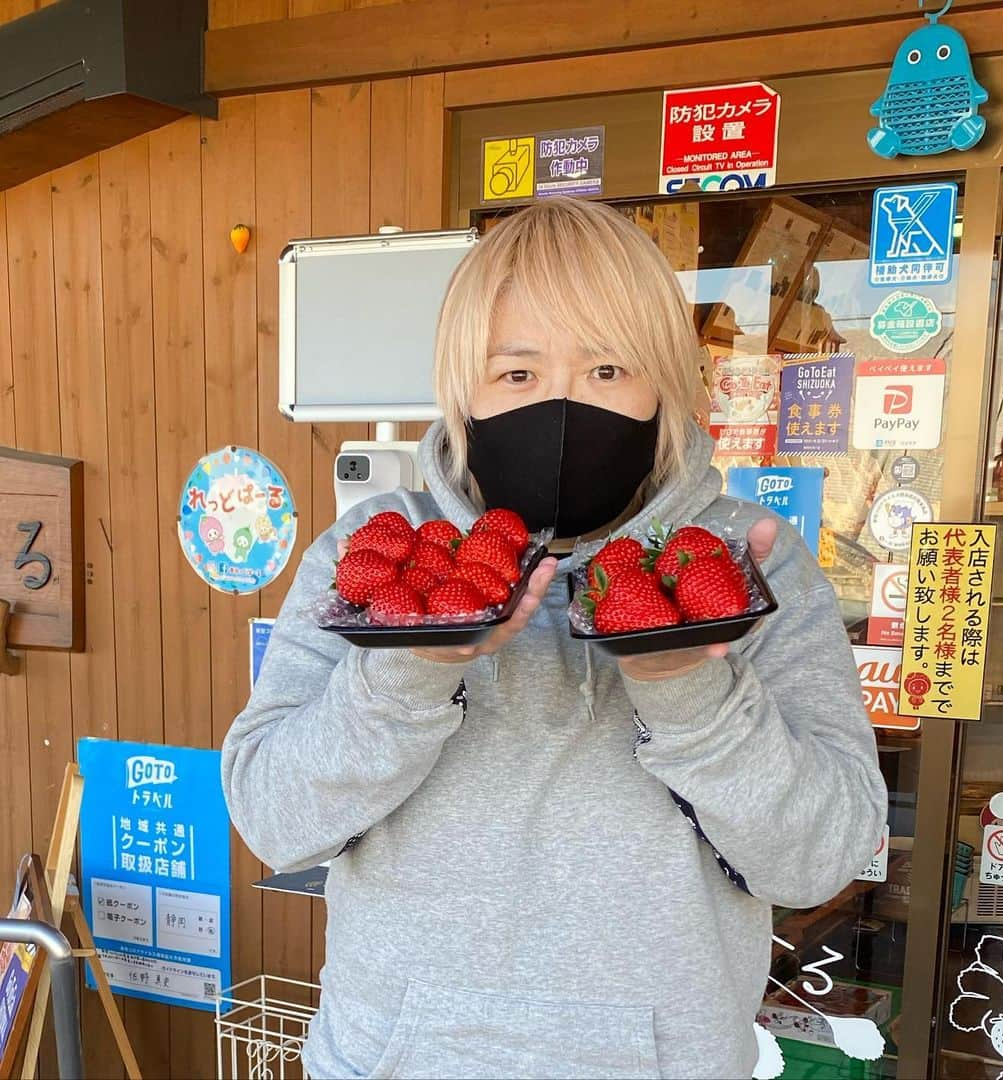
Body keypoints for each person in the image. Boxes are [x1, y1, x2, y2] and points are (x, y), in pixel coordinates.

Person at [222, 197, 887, 1079]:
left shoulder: (748, 565)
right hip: (397, 1060)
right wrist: (404, 675)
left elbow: (822, 859)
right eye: (517, 373)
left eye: (609, 368)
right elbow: (275, 819)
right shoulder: (377, 558)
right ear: (463, 389)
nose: (565, 405)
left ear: (665, 383)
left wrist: (694, 690)